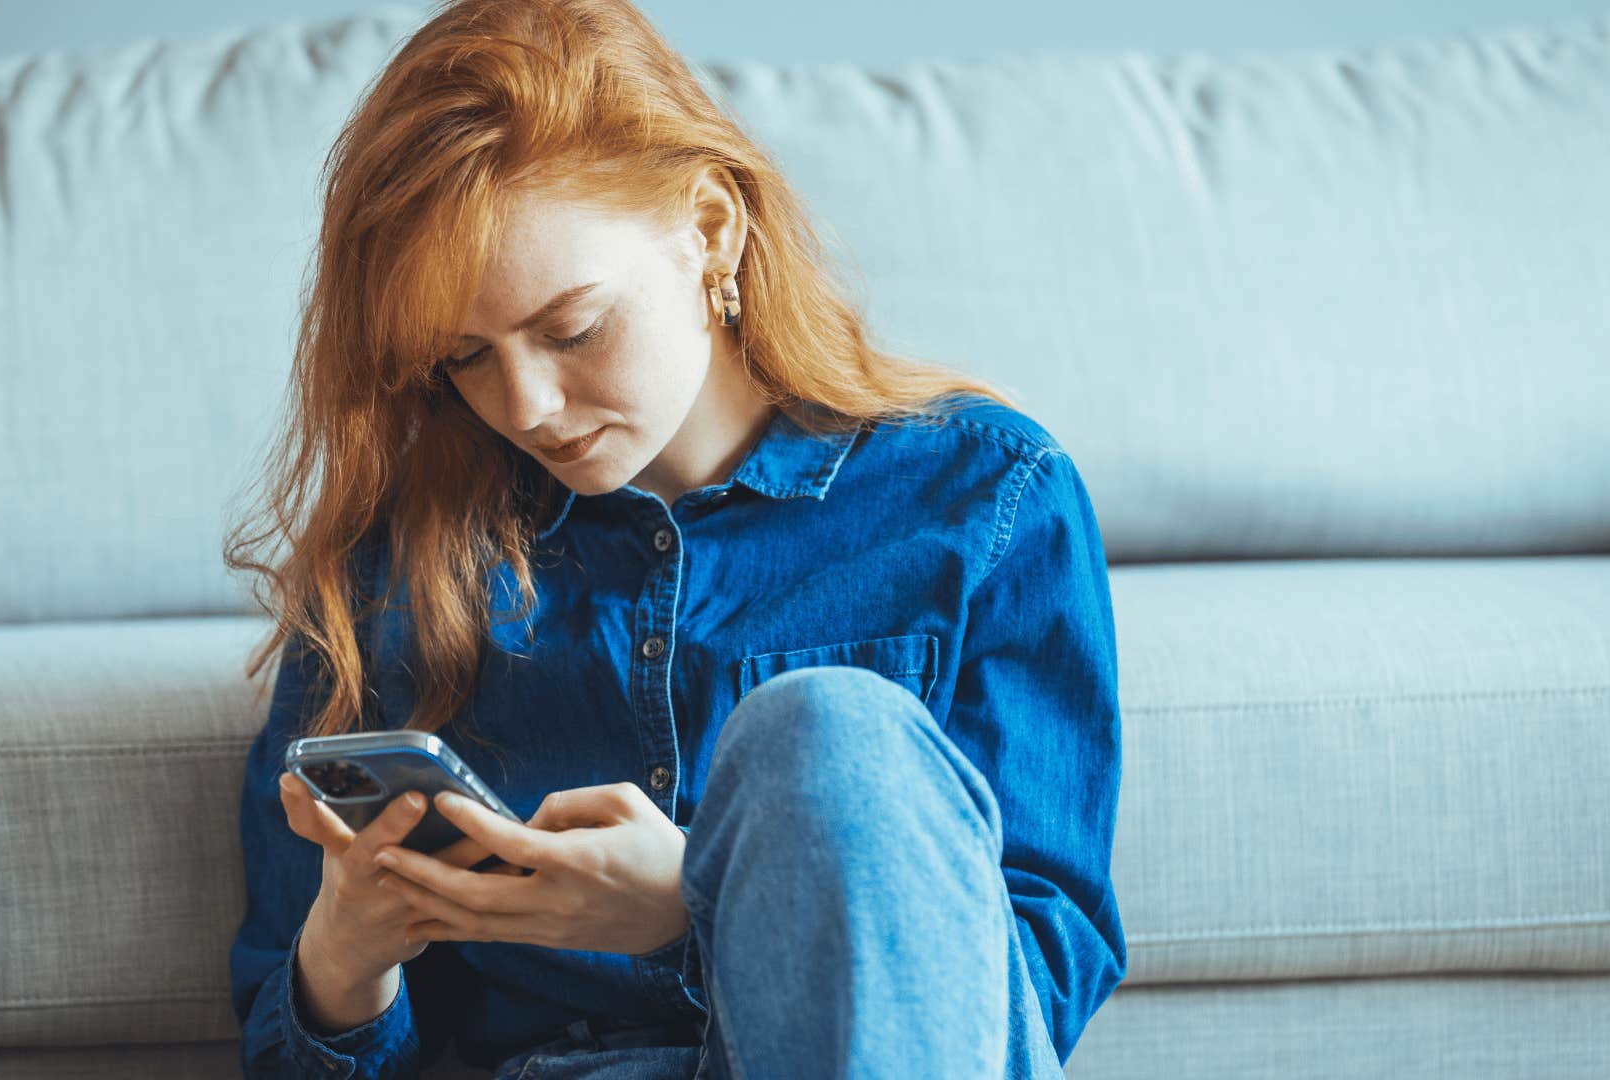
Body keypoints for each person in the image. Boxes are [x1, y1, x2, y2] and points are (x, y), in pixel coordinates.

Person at [224, 0, 1127, 1076]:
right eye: (463, 359)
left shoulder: (985, 498)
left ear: (710, 230)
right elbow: (288, 1051)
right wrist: (347, 956)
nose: (526, 405)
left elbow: (1034, 980)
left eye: (572, 329)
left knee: (826, 731)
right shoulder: (396, 570)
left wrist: (701, 903)